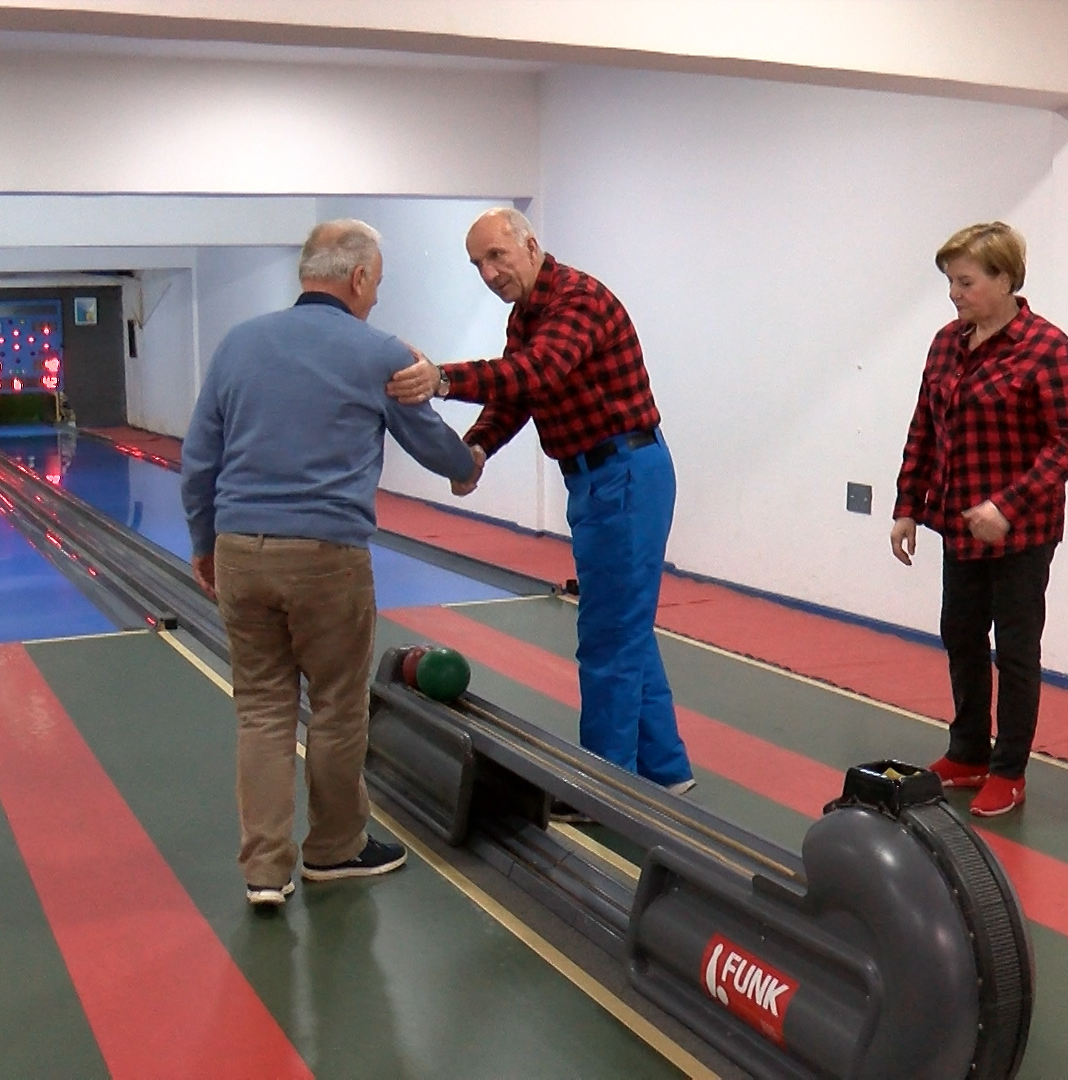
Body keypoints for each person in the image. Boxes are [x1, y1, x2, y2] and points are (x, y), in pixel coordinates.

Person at [183, 219, 481, 907]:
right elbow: (430, 441)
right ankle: (336, 848)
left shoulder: (238, 344)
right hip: (326, 557)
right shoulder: (378, 352)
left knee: (261, 710)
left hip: (240, 549)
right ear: (359, 276)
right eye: (377, 281)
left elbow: (200, 459)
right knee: (338, 707)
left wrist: (204, 543)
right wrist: (467, 465)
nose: (376, 295)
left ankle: (264, 872)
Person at [385, 208, 695, 796]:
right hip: (595, 478)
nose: (489, 273)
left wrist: (442, 380)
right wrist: (476, 449)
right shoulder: (526, 314)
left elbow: (537, 372)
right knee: (625, 625)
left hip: (626, 474)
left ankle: (603, 787)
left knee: (608, 634)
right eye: (477, 264)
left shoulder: (577, 300)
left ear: (530, 246)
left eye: (496, 256)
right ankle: (665, 771)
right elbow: (516, 399)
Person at [891, 222, 1068, 818]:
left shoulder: (1046, 347)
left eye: (966, 282)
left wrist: (1008, 504)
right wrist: (907, 505)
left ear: (1005, 280)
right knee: (960, 635)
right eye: (950, 282)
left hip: (1022, 532)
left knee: (1016, 650)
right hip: (959, 526)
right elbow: (924, 427)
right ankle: (968, 751)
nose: (954, 294)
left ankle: (1009, 769)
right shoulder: (945, 344)